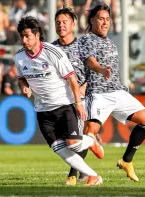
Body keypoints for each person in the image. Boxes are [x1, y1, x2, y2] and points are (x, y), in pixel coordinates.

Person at [15, 16, 103, 186]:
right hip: (42, 110)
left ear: (37, 35)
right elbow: (21, 78)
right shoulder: (19, 57)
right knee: (60, 149)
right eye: (22, 36)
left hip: (64, 105)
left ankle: (91, 141)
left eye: (27, 36)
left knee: (74, 145)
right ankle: (93, 176)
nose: (24, 40)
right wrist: (24, 86)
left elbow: (72, 80)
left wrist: (78, 104)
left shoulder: (52, 52)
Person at [78, 4, 145, 182]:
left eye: (107, 19)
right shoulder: (87, 39)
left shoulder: (110, 41)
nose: (105, 22)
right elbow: (90, 62)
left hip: (118, 92)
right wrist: (101, 69)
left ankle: (126, 161)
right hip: (98, 93)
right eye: (100, 18)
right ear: (92, 20)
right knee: (90, 134)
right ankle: (77, 175)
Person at [52, 7, 104, 186]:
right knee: (66, 141)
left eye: (65, 22)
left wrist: (82, 88)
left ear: (73, 24)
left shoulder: (82, 46)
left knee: (73, 138)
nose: (61, 25)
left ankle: (73, 175)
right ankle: (91, 141)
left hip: (81, 98)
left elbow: (95, 72)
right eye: (58, 22)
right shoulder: (51, 49)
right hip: (60, 100)